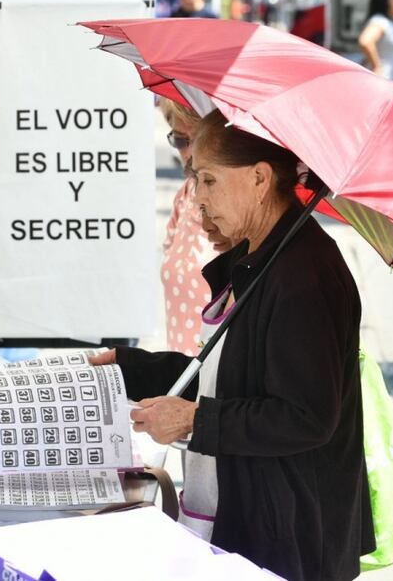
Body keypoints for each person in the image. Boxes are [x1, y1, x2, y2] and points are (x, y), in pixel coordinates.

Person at [93, 110, 374, 581]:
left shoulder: (304, 274)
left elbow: (305, 416)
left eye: (208, 180)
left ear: (260, 178)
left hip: (289, 534)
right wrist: (127, 367)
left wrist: (194, 420)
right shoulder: (259, 254)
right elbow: (228, 373)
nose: (197, 197)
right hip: (247, 510)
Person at [160, 99, 216, 353]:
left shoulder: (241, 211)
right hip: (178, 374)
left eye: (201, 140)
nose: (191, 153)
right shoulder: (184, 196)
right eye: (181, 140)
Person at [357, 0, 393, 80]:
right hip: (382, 81)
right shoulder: (380, 21)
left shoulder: (388, 23)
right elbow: (365, 41)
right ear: (385, 1)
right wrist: (377, 67)